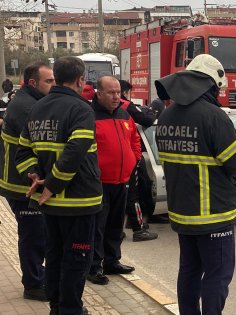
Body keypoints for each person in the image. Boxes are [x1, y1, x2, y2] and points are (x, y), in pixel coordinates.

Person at [155, 54, 236, 315]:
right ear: (210, 85)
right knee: (217, 276)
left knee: (189, 271)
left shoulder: (166, 116)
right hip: (213, 213)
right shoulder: (213, 116)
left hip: (182, 213)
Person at [15, 56, 102, 315]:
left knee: (54, 256)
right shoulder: (81, 109)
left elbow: (23, 153)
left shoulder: (38, 108)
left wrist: (35, 177)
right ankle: (70, 309)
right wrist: (52, 184)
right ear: (79, 79)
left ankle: (56, 306)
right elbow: (76, 150)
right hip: (79, 202)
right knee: (77, 258)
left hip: (49, 204)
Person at [0, 62, 55, 302]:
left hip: (25, 183)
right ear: (33, 83)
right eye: (49, 81)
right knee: (33, 236)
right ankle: (33, 284)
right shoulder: (26, 107)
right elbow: (40, 144)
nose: (53, 85)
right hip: (22, 185)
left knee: (38, 234)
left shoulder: (29, 101)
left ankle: (37, 277)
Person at [86, 76, 139, 285]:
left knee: (116, 225)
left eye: (118, 92)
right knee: (98, 226)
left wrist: (133, 159)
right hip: (99, 182)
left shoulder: (125, 115)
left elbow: (135, 138)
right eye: (111, 92)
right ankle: (94, 266)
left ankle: (111, 260)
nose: (117, 96)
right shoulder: (90, 116)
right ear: (99, 93)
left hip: (121, 180)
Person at [118, 79, 160, 241]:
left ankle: (115, 228)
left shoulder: (95, 107)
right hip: (128, 157)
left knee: (114, 195)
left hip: (112, 160)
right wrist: (151, 112)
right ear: (124, 92)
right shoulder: (125, 106)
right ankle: (138, 228)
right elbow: (147, 120)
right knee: (133, 194)